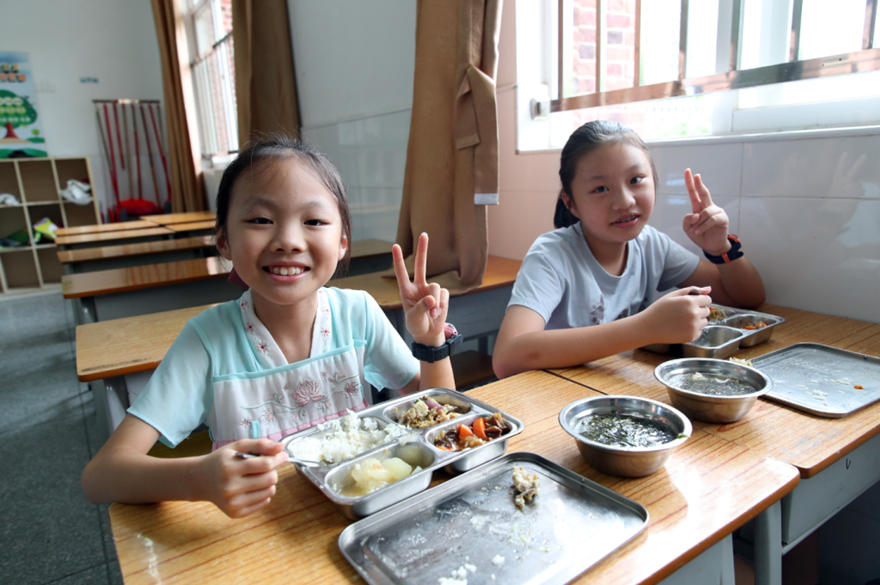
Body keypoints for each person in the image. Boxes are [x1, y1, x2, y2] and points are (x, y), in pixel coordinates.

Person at [82, 137, 456, 518]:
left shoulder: (357, 313)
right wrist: (198, 480)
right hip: (257, 533)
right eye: (261, 220)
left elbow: (439, 414)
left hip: (352, 518)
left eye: (313, 221)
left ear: (342, 242)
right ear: (224, 240)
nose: (288, 242)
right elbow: (101, 476)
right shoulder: (208, 342)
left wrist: (431, 344)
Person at [493, 120, 765, 379]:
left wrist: (721, 249)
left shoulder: (651, 244)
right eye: (601, 188)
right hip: (553, 394)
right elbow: (507, 357)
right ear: (571, 203)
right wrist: (646, 327)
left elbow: (746, 298)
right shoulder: (551, 256)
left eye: (636, 179)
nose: (624, 201)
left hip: (612, 385)